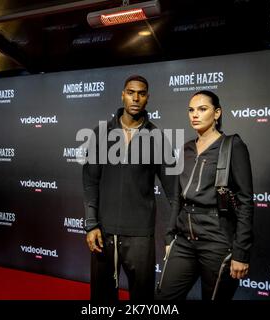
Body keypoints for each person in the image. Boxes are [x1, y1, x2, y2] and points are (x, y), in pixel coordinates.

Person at [82, 75, 177, 302]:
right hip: (103, 233)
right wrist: (91, 224)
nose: (136, 98)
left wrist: (173, 233)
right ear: (122, 94)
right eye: (131, 92)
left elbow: (174, 191)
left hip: (140, 237)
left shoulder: (157, 137)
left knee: (142, 299)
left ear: (147, 98)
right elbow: (90, 181)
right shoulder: (101, 132)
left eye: (141, 93)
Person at [156, 90, 254, 300]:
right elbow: (177, 198)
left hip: (217, 239)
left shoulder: (232, 146)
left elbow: (246, 202)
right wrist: (169, 235)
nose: (195, 115)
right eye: (191, 110)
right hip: (183, 239)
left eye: (202, 109)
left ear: (217, 113)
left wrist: (241, 252)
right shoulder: (186, 149)